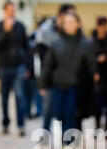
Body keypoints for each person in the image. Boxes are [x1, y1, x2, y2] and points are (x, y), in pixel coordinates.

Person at [39, 13, 97, 145]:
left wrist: (95, 73)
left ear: (78, 24)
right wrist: (42, 83)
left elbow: (91, 62)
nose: (69, 25)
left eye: (72, 22)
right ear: (62, 25)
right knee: (59, 113)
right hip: (57, 84)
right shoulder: (56, 43)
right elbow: (47, 65)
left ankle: (68, 140)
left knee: (70, 113)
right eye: (66, 22)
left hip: (75, 85)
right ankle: (66, 135)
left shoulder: (84, 43)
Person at [35, 4, 76, 137]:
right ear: (61, 15)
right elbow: (42, 56)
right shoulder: (46, 30)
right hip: (52, 77)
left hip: (68, 77)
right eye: (69, 14)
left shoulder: (70, 31)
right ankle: (45, 134)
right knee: (48, 108)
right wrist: (45, 79)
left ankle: (67, 137)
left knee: (68, 110)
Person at [0, 0, 29, 136]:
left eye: (13, 10)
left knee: (19, 96)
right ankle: (5, 123)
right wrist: (7, 31)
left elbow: (26, 47)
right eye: (9, 9)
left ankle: (21, 125)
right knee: (4, 97)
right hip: (4, 66)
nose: (12, 12)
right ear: (5, 11)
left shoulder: (20, 26)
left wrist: (27, 65)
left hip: (19, 66)